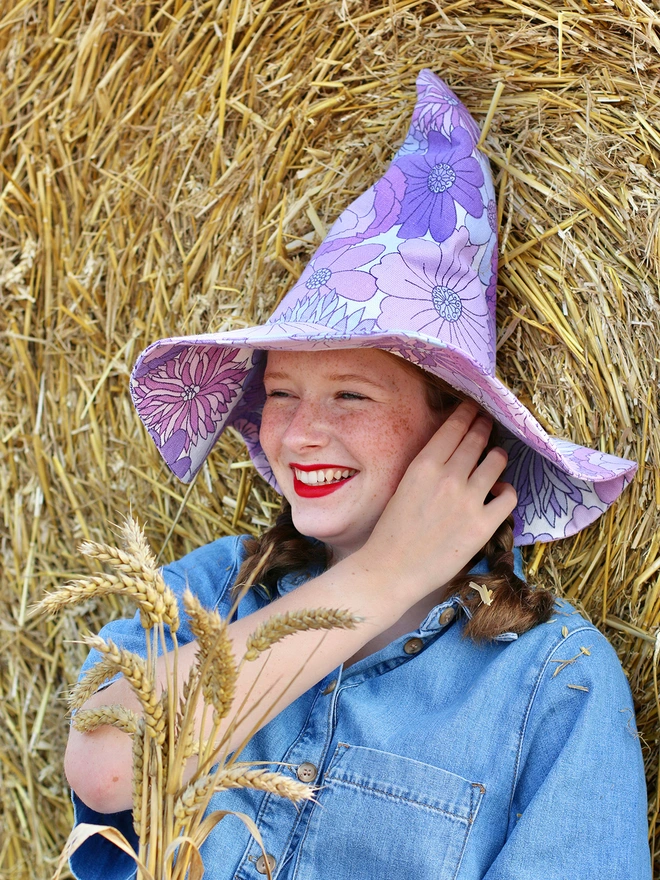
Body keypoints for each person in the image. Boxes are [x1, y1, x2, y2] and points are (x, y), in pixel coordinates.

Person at [65, 70, 651, 879]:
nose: (302, 434)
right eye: (280, 393)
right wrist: (382, 577)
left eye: (350, 394)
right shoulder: (213, 589)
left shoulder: (552, 681)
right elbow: (105, 768)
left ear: (460, 428)